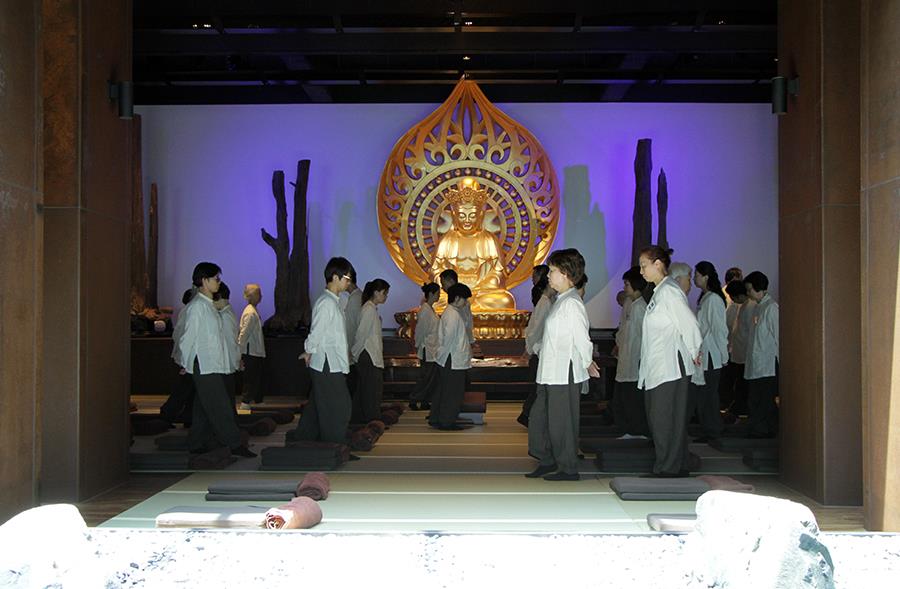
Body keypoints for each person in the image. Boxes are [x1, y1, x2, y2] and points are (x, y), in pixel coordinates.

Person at [526, 248, 600, 481]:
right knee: (542, 418)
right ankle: (547, 459)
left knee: (561, 422)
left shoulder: (572, 304)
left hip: (562, 371)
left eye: (553, 271)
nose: (548, 275)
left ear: (566, 273)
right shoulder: (561, 301)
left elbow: (581, 338)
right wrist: (537, 348)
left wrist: (587, 362)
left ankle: (567, 467)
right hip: (549, 371)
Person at [177, 262, 255, 457]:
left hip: (212, 364)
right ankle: (234, 444)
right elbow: (188, 338)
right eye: (216, 279)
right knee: (220, 405)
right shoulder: (197, 307)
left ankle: (196, 443)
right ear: (204, 280)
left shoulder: (208, 306)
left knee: (204, 406)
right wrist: (185, 363)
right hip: (205, 364)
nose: (218, 282)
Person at [638, 246, 702, 477]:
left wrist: (695, 351)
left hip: (670, 368)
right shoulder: (660, 292)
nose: (641, 271)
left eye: (644, 266)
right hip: (659, 366)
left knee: (665, 419)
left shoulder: (669, 292)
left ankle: (668, 468)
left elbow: (689, 324)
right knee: (662, 419)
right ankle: (677, 463)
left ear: (658, 264)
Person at [293, 257, 355, 444]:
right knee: (340, 406)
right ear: (335, 277)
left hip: (328, 361)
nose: (349, 282)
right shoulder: (326, 303)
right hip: (327, 363)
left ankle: (303, 440)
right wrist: (308, 350)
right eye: (347, 278)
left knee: (317, 405)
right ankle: (334, 447)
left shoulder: (333, 301)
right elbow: (317, 331)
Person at [691, 261, 728, 442]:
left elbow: (719, 329)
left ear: (706, 276)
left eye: (697, 275)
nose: (694, 278)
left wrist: (723, 355)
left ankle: (713, 429)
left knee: (709, 394)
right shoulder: (706, 298)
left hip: (712, 355)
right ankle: (709, 428)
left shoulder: (713, 299)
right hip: (705, 354)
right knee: (704, 394)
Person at [613, 267, 650, 438]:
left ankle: (637, 430)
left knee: (633, 398)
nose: (624, 287)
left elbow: (644, 337)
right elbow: (624, 331)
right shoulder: (631, 304)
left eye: (627, 284)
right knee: (623, 397)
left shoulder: (641, 308)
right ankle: (627, 429)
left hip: (635, 359)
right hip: (626, 357)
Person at [430, 283, 473, 430]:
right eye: (464, 299)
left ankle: (437, 417)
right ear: (457, 298)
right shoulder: (453, 315)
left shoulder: (452, 312)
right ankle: (447, 421)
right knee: (453, 392)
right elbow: (448, 339)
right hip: (452, 359)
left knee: (444, 390)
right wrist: (442, 358)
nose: (466, 302)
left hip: (449, 358)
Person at [517, 268, 555, 427]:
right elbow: (536, 329)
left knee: (540, 387)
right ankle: (528, 415)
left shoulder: (547, 301)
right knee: (539, 388)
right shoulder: (544, 302)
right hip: (539, 351)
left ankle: (528, 414)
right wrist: (529, 349)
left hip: (541, 350)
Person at [743, 271, 779, 438]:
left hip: (767, 364)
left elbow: (778, 336)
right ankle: (758, 428)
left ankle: (765, 430)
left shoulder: (771, 308)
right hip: (757, 363)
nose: (748, 293)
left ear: (759, 288)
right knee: (756, 398)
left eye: (750, 289)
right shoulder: (758, 307)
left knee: (764, 400)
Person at [351, 278, 390, 423]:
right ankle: (371, 419)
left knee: (366, 389)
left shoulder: (370, 309)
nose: (386, 296)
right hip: (368, 354)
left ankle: (360, 418)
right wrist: (355, 353)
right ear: (376, 292)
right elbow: (361, 334)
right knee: (371, 390)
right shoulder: (369, 309)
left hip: (369, 354)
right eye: (384, 293)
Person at [160, 288, 198, 425]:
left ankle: (187, 417)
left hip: (188, 357)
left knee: (190, 388)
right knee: (185, 388)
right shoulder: (191, 312)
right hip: (189, 357)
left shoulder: (187, 311)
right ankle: (169, 414)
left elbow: (178, 334)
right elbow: (183, 336)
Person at [723, 280, 753, 416]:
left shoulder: (750, 307)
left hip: (745, 353)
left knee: (742, 383)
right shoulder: (742, 306)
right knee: (739, 382)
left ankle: (741, 408)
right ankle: (738, 407)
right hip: (739, 352)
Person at [409, 282, 441, 411]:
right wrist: (417, 345)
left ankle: (424, 401)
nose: (439, 296)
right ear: (431, 294)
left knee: (430, 377)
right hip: (427, 348)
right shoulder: (425, 310)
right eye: (438, 293)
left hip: (432, 348)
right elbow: (420, 331)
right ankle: (414, 398)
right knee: (426, 377)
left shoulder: (430, 309)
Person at [238, 284, 266, 408]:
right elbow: (244, 334)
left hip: (255, 351)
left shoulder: (252, 311)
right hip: (251, 352)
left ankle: (257, 401)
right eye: (258, 294)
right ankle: (245, 403)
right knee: (250, 378)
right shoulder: (250, 313)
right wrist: (239, 352)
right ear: (252, 296)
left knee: (256, 377)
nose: (261, 297)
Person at [214, 282, 242, 404]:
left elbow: (231, 343)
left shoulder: (225, 316)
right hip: (227, 364)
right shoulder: (227, 313)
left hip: (226, 365)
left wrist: (236, 360)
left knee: (226, 401)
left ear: (219, 296)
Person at [342, 269, 363, 395]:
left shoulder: (355, 299)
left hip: (353, 350)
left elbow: (350, 328)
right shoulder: (357, 297)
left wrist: (349, 349)